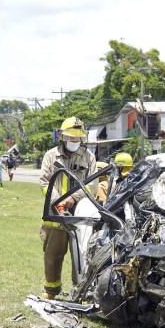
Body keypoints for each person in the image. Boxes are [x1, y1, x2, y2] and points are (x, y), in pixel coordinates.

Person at [39, 117, 96, 300]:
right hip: (55, 214)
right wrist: (58, 201)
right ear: (62, 137)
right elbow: (44, 182)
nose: (74, 141)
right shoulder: (51, 156)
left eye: (78, 137)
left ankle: (80, 291)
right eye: (71, 138)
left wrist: (74, 198)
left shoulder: (89, 157)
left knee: (81, 255)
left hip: (80, 214)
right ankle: (51, 290)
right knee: (53, 254)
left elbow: (92, 185)